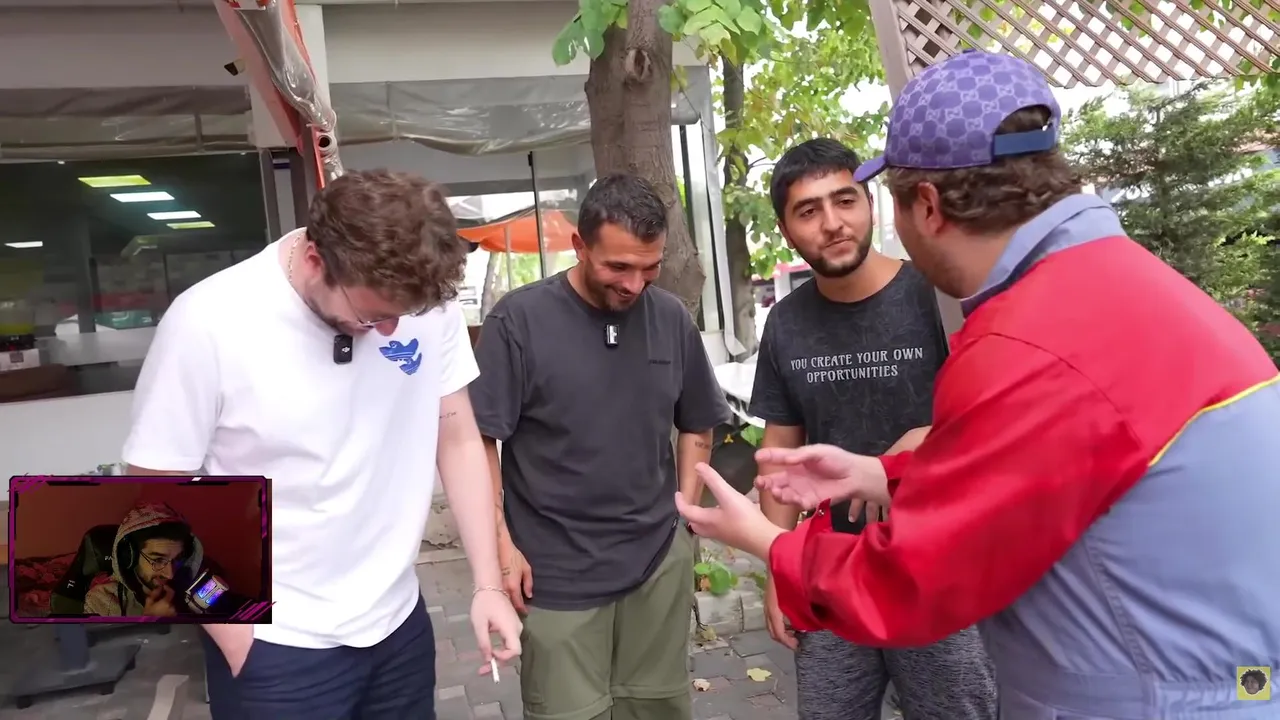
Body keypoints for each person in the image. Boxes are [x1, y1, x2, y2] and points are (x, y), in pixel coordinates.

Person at [677, 49, 1280, 719]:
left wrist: (769, 545)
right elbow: (1043, 462)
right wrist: (883, 475)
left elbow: (913, 579)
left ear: (926, 206)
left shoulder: (1024, 341)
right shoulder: (1108, 283)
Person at [122, 170, 522, 720]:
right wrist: (233, 627)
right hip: (275, 643)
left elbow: (455, 436)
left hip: (398, 626)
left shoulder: (424, 299)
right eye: (372, 316)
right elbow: (152, 500)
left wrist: (487, 584)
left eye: (402, 316)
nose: (391, 331)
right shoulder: (208, 323)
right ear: (315, 260)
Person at [751, 138, 997, 719]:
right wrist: (777, 567)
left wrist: (927, 437)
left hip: (940, 569)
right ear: (786, 230)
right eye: (808, 210)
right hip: (832, 569)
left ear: (871, 204)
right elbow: (781, 449)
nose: (832, 223)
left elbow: (994, 417)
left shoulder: (937, 297)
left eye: (845, 200)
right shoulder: (785, 323)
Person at [470, 173, 731, 720]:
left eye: (649, 268)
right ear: (579, 245)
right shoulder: (518, 322)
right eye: (618, 267)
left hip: (655, 566)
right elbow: (480, 441)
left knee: (657, 711)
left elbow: (698, 426)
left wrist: (684, 519)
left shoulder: (670, 318)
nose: (635, 284)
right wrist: (501, 544)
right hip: (554, 576)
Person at [83, 502, 200, 618]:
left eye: (178, 558)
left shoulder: (191, 588)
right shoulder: (100, 601)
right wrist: (150, 621)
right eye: (158, 560)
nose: (170, 575)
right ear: (130, 557)